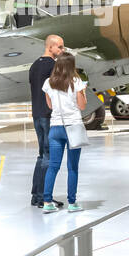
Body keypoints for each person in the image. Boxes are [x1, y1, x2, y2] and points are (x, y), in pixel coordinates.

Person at [41, 52, 86, 213]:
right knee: (72, 167)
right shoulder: (76, 82)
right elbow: (82, 106)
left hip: (55, 128)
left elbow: (50, 106)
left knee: (53, 166)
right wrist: (82, 92)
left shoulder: (48, 83)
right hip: (73, 126)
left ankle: (47, 202)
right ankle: (72, 203)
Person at [28, 34, 65, 207]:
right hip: (48, 116)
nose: (62, 50)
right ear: (50, 47)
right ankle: (44, 196)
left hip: (37, 114)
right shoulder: (53, 66)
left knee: (42, 155)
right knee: (49, 157)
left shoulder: (34, 65)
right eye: (60, 47)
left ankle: (36, 195)